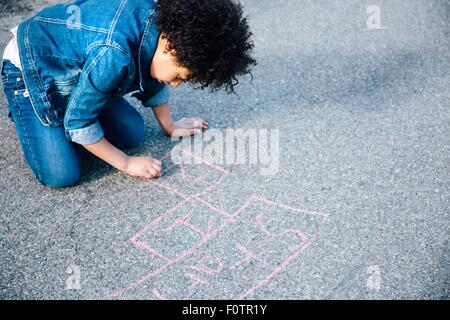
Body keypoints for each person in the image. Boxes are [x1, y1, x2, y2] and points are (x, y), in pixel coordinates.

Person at [0, 0, 256, 188]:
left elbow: (154, 75)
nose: (176, 84)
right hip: (35, 68)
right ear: (170, 45)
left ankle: (84, 100)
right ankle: (28, 111)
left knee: (132, 132)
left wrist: (170, 125)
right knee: (61, 173)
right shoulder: (114, 52)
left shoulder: (165, 35)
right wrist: (125, 163)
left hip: (84, 68)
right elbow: (79, 122)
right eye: (179, 76)